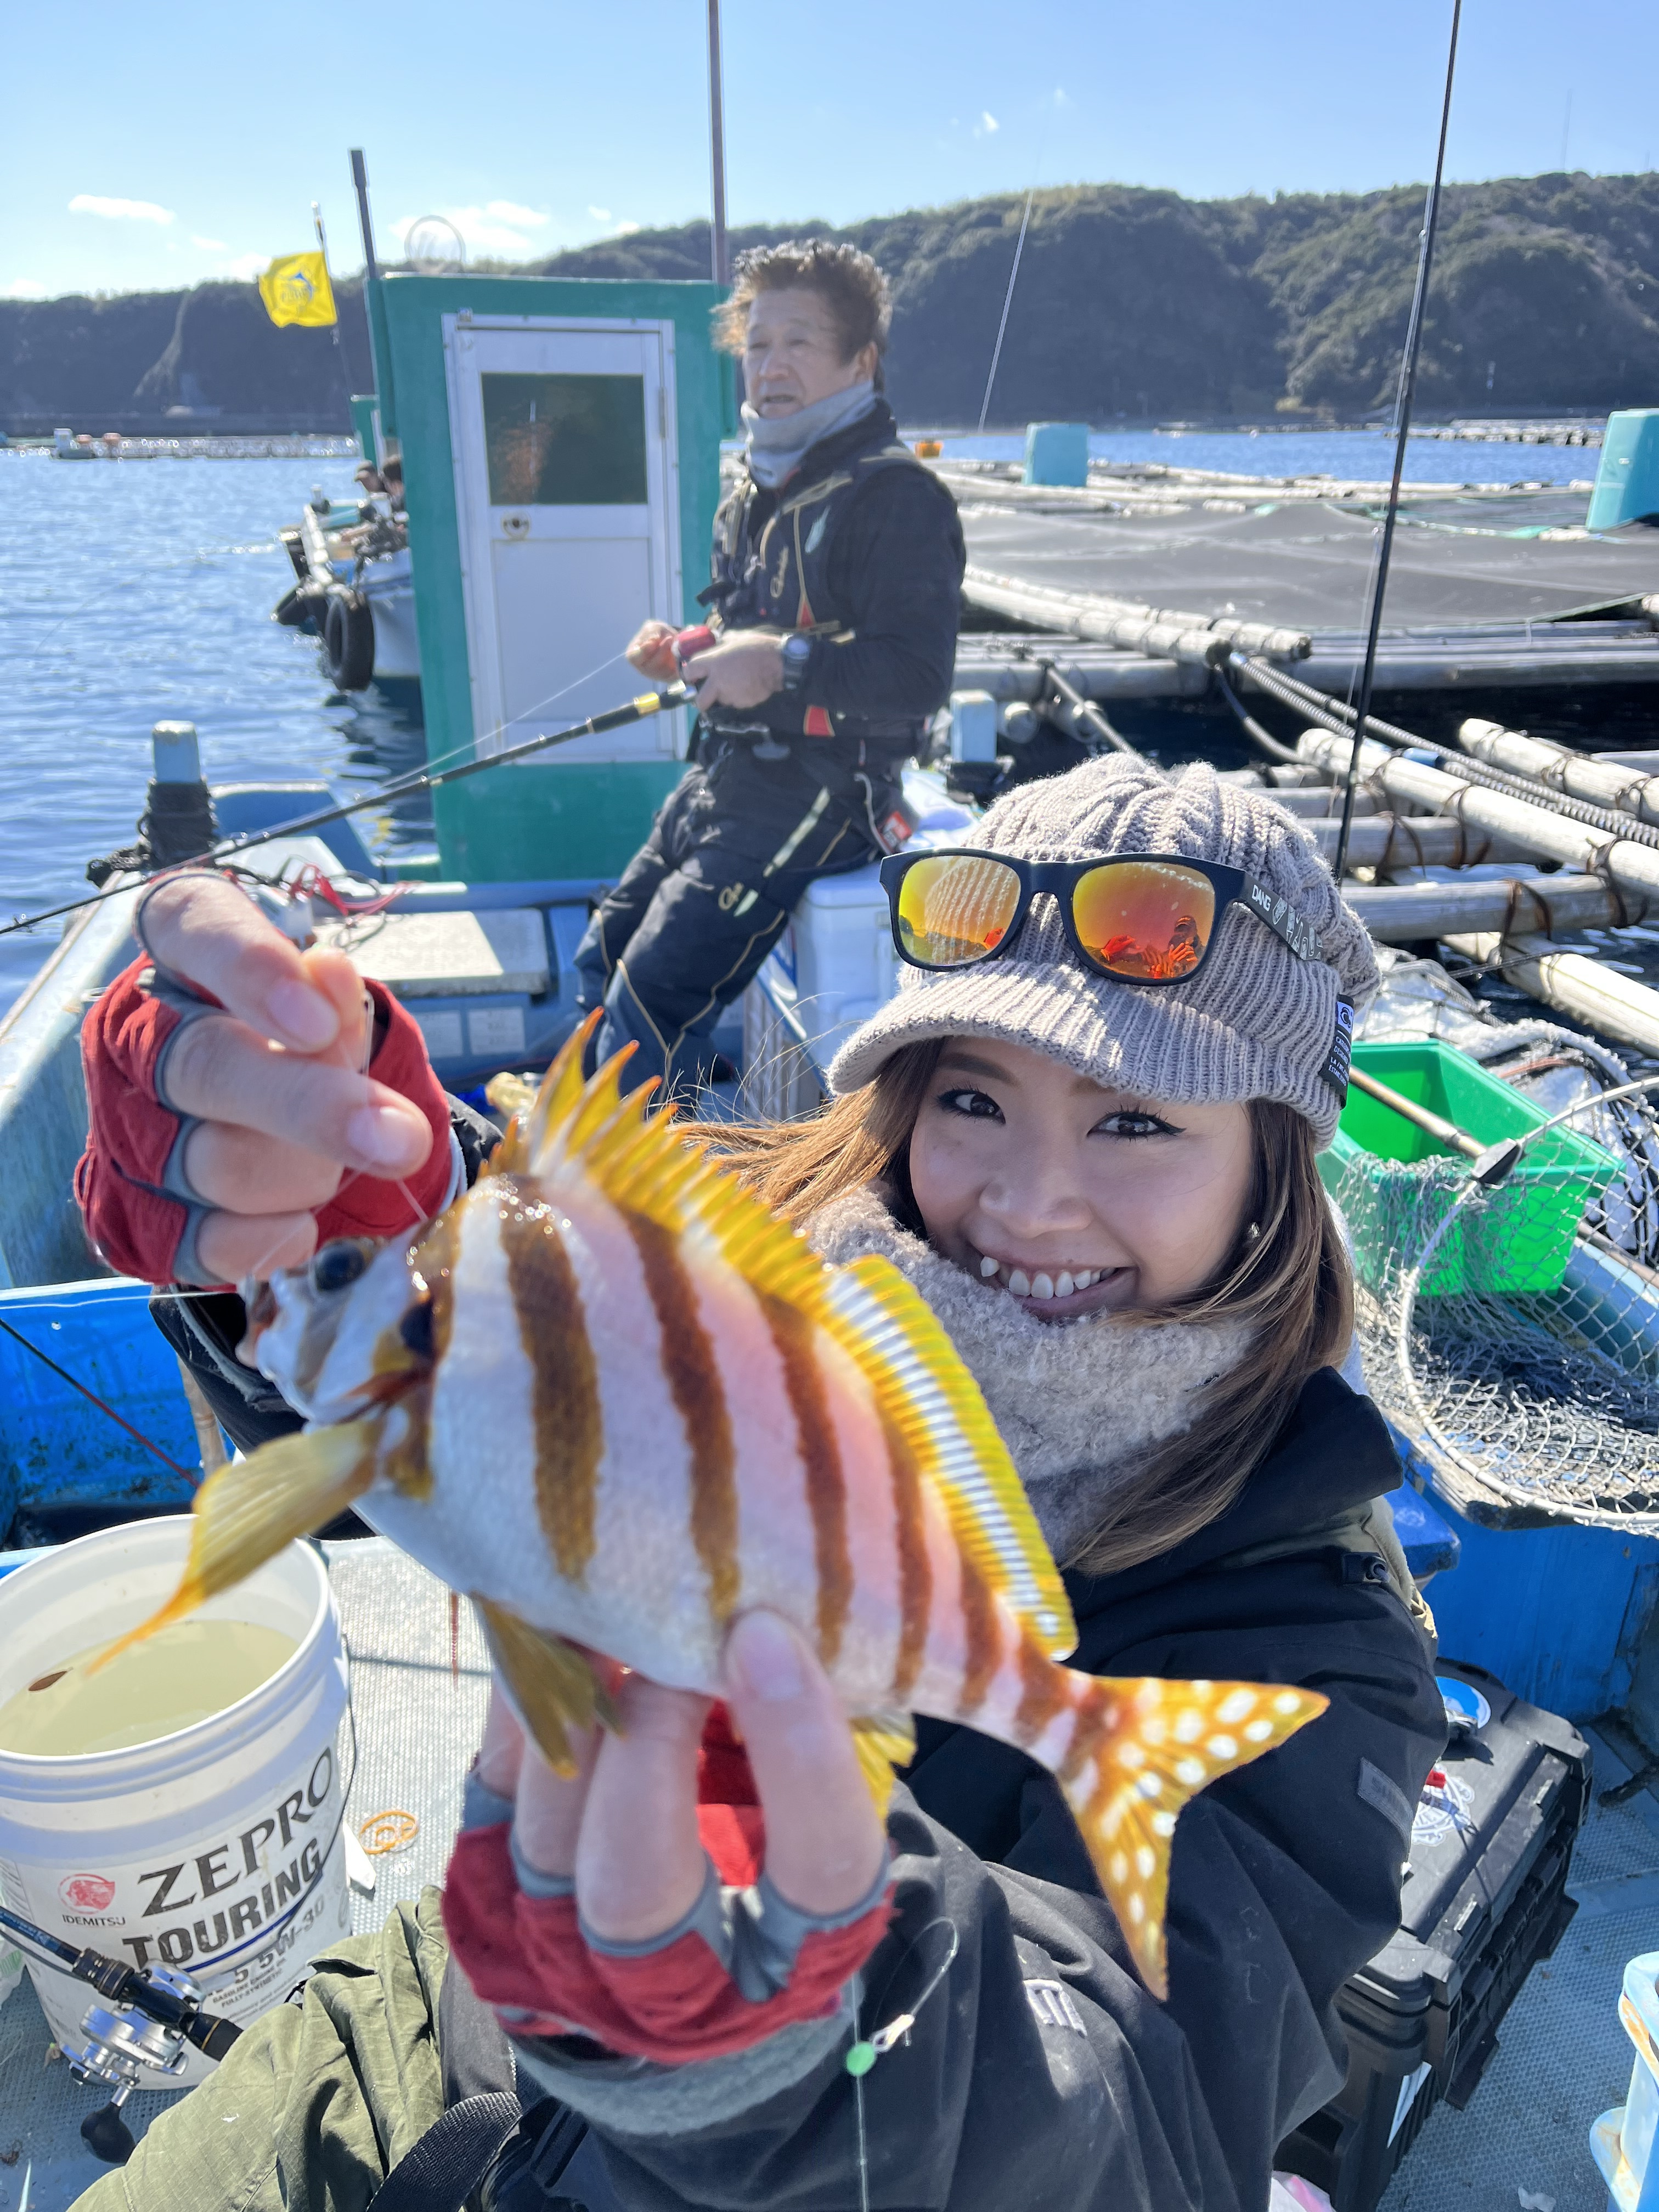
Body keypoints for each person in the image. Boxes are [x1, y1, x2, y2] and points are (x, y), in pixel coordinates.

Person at [72, 758, 1443, 2212]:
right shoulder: (735, 1262)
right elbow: (474, 1388)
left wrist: (793, 2014)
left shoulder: (1317, 1640)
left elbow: (1135, 2116)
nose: (1030, 1198)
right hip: (434, 2040)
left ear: (1274, 1167)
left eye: (1138, 1121)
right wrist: (308, 1197)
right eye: (974, 1095)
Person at [571, 239, 965, 1096]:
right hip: (725, 776)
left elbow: (916, 675)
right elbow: (744, 623)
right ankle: (621, 1135)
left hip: (827, 792)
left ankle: (625, 1206)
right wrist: (690, 646)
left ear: (860, 360)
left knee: (649, 1000)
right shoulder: (752, 490)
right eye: (756, 344)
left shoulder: (899, 498)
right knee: (599, 955)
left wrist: (780, 665)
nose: (769, 365)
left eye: (797, 342)